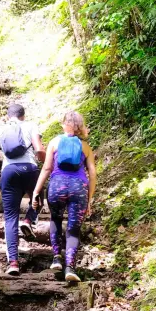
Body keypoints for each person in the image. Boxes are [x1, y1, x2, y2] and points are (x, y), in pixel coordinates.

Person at [32, 110, 96, 284]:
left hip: (57, 186)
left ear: (64, 124)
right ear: (79, 127)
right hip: (79, 188)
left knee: (56, 220)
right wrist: (89, 199)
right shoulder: (85, 147)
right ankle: (70, 267)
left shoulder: (55, 142)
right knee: (74, 228)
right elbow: (93, 174)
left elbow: (46, 169)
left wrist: (36, 191)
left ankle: (56, 258)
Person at [0, 102, 46, 276]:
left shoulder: (0, 130)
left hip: (9, 172)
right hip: (30, 169)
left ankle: (13, 263)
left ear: (7, 116)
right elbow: (39, 149)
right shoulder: (30, 125)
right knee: (38, 198)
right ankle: (28, 220)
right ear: (23, 116)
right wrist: (44, 161)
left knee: (10, 217)